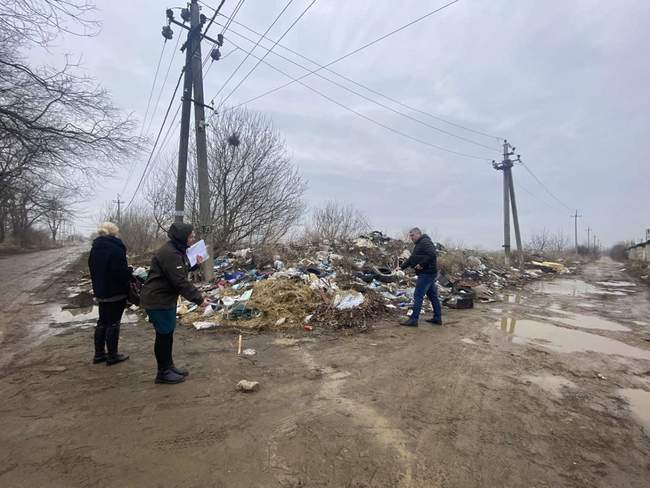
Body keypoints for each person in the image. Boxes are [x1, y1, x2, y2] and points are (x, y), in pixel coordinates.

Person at [140, 222, 209, 385]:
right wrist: (199, 299)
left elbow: (179, 272)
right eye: (190, 236)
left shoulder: (176, 250)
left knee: (168, 334)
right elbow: (179, 281)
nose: (193, 239)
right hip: (158, 299)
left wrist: (194, 266)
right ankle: (162, 373)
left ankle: (169, 367)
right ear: (182, 237)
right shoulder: (170, 253)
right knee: (163, 336)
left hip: (165, 299)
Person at [88, 222, 131, 365]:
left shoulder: (95, 249)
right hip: (115, 291)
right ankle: (113, 356)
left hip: (101, 291)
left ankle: (99, 354)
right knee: (113, 323)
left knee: (102, 321)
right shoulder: (116, 249)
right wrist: (129, 276)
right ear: (114, 233)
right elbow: (121, 272)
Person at [399, 227, 442, 327]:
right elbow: (412, 259)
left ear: (418, 234)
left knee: (418, 296)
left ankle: (413, 319)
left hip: (426, 273)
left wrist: (422, 264)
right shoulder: (419, 244)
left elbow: (432, 254)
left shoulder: (425, 242)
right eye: (410, 236)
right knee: (433, 296)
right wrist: (401, 267)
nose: (411, 238)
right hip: (428, 273)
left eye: (412, 235)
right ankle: (437, 318)